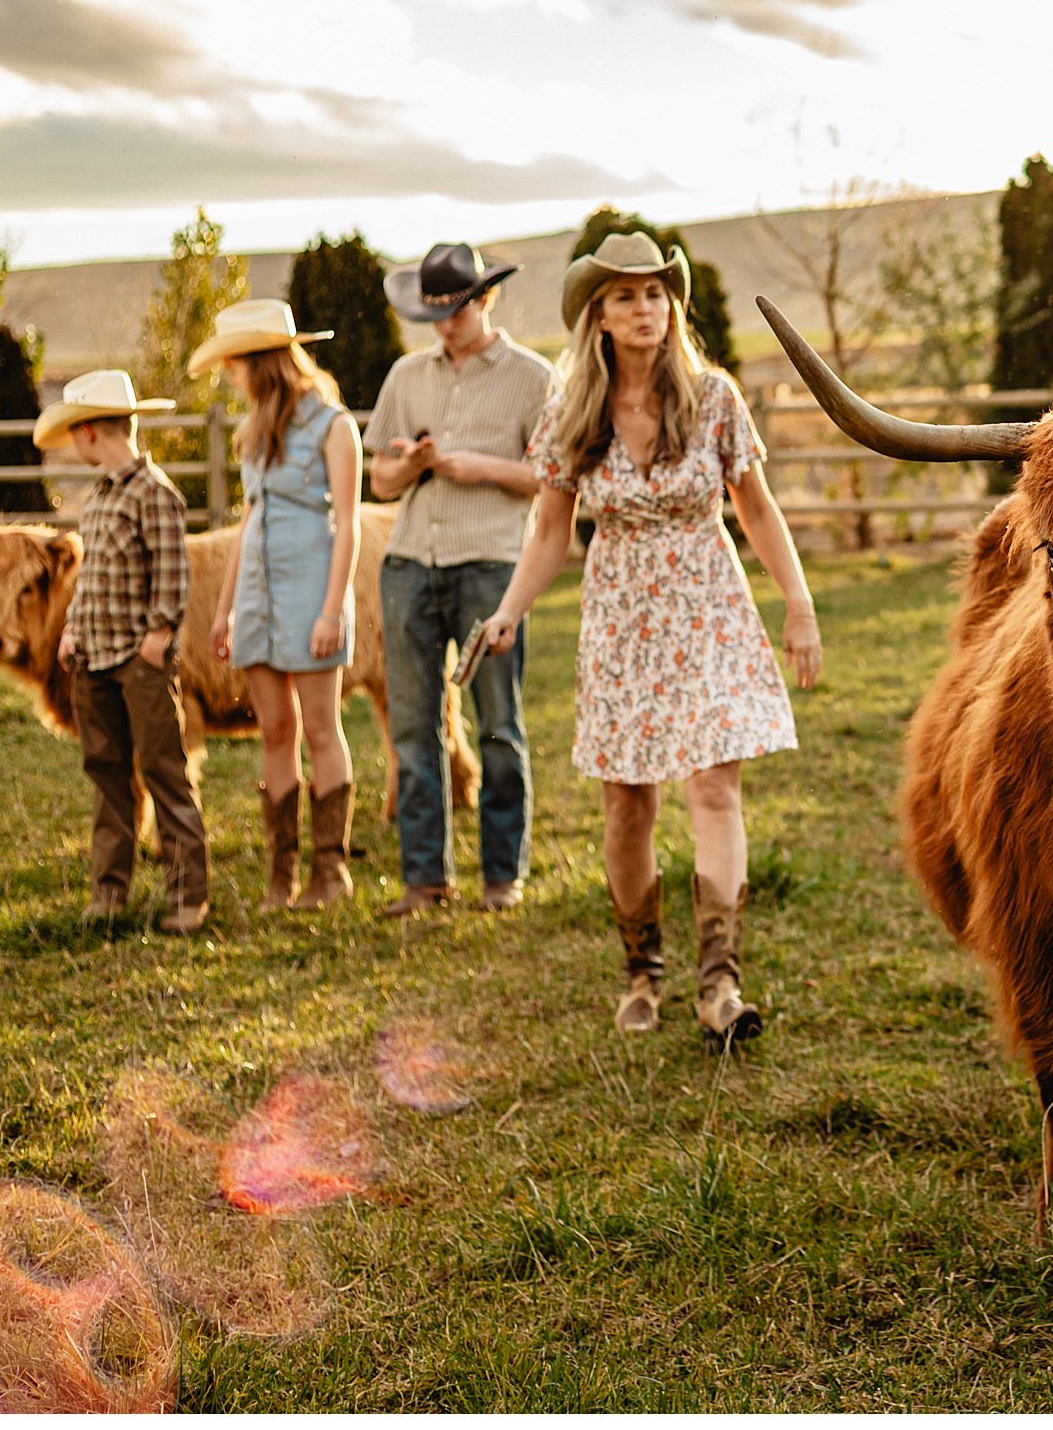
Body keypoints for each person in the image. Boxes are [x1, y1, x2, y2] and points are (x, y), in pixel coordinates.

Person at [481, 232, 821, 1049]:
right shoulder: (572, 414)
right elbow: (548, 534)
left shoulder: (714, 399)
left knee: (714, 788)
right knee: (627, 803)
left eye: (657, 293)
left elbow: (759, 510)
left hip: (708, 606)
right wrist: (508, 610)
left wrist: (800, 602)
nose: (646, 309)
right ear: (597, 315)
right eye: (627, 296)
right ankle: (643, 969)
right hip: (621, 617)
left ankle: (720, 983)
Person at [366, 243, 553, 917]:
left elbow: (551, 478)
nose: (445, 324)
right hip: (411, 562)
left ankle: (502, 875)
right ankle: (424, 878)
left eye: (457, 309)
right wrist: (411, 464)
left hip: (491, 564)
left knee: (498, 722)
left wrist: (482, 467)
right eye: (434, 313)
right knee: (414, 727)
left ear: (485, 299)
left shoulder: (533, 377)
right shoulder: (406, 376)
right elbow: (379, 480)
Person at [194, 300, 363, 912]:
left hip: (310, 589)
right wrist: (224, 609)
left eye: (234, 365)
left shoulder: (333, 425)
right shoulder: (255, 429)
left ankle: (330, 871)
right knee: (274, 728)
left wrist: (331, 609)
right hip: (258, 598)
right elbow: (250, 518)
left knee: (320, 727)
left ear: (260, 362)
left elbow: (348, 525)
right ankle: (280, 874)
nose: (230, 377)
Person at [33, 369, 210, 933]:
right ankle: (110, 890)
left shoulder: (154, 493)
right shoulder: (100, 496)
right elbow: (92, 578)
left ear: (89, 432)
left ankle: (188, 896)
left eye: (74, 435)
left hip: (140, 660)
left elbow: (172, 573)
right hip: (93, 660)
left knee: (163, 769)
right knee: (107, 772)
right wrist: (72, 632)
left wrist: (157, 639)